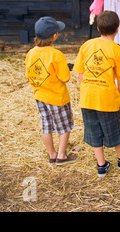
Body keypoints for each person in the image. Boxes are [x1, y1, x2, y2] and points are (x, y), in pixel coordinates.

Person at [73, 11, 120, 178]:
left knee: (93, 131)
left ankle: (101, 165)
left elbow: (80, 73)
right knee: (113, 130)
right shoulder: (117, 51)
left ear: (98, 28)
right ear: (117, 29)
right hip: (107, 99)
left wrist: (86, 88)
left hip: (87, 98)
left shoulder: (87, 45)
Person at [25, 16, 78, 166]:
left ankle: (52, 154)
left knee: (46, 126)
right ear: (54, 36)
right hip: (57, 98)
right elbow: (65, 77)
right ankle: (61, 156)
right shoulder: (56, 55)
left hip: (40, 96)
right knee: (64, 127)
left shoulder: (31, 53)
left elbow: (29, 75)